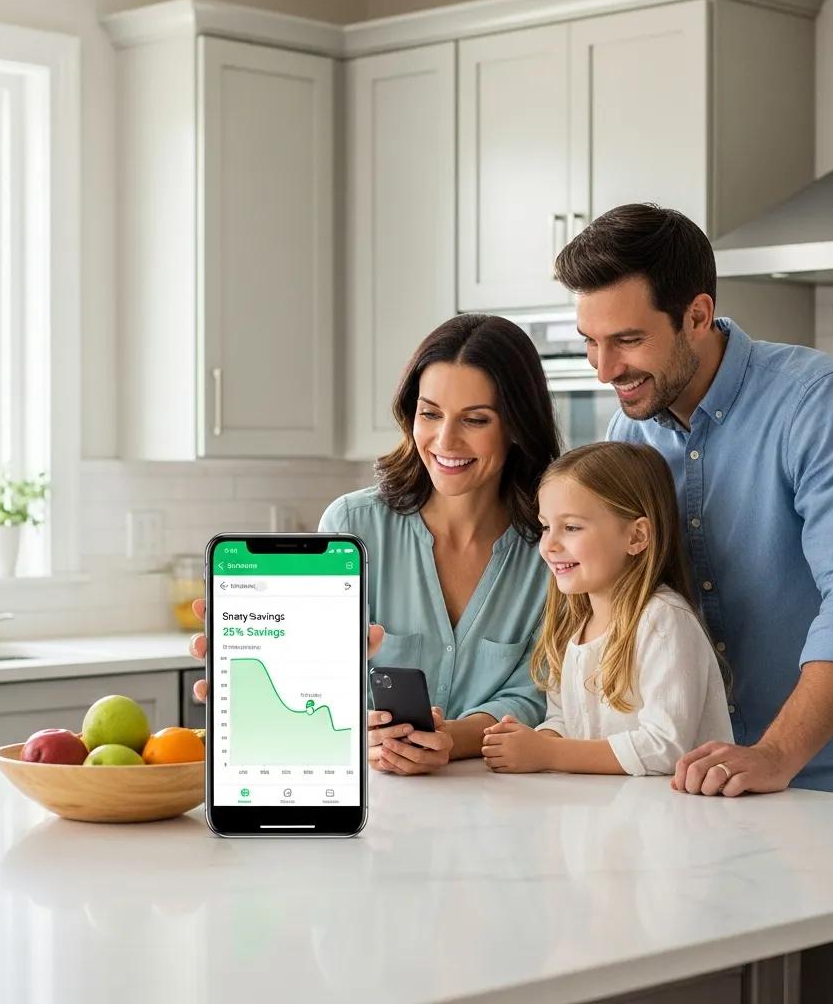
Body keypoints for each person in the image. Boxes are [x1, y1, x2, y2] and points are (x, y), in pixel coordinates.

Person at [552, 202, 833, 796]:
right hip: (694, 787)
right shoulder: (629, 433)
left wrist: (776, 754)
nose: (604, 371)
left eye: (627, 340)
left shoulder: (819, 404)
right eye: (591, 342)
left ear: (697, 315)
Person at [190, 313, 561, 775]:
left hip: (502, 801)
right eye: (430, 414)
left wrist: (448, 740)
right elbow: (315, 682)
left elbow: (535, 691)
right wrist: (265, 671)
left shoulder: (552, 549)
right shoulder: (353, 526)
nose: (445, 440)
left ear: (516, 426)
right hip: (364, 799)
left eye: (475, 419)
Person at [481, 441, 732, 775]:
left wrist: (548, 753)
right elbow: (563, 720)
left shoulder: (664, 620)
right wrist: (534, 739)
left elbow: (667, 747)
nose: (550, 545)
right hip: (609, 817)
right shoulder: (571, 627)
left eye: (571, 527)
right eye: (545, 526)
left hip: (675, 821)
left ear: (636, 536)